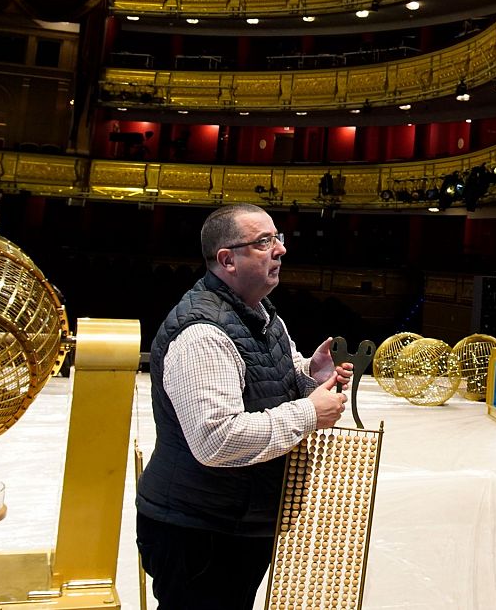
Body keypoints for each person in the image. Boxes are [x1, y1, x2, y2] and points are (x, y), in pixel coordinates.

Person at [134, 203, 352, 609]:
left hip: (233, 521)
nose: (280, 250)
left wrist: (308, 374)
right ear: (226, 260)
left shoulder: (261, 313)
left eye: (278, 238)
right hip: (197, 529)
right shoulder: (203, 333)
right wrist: (310, 413)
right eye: (263, 242)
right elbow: (217, 439)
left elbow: (261, 382)